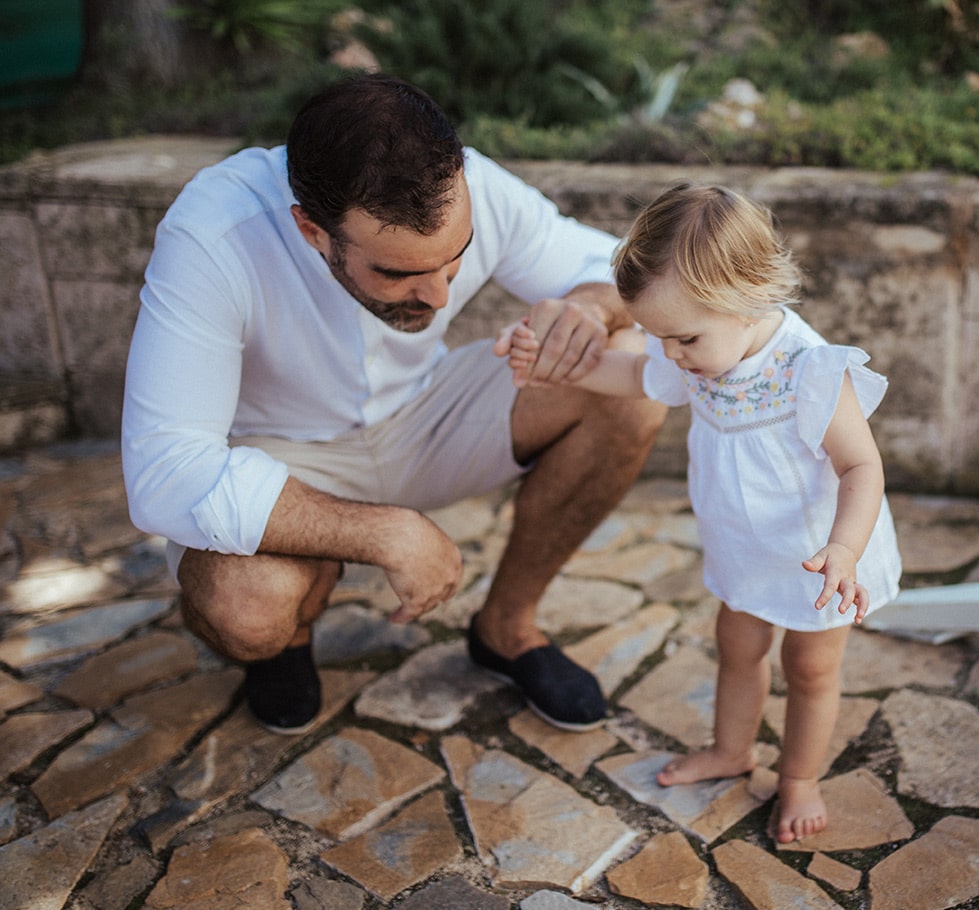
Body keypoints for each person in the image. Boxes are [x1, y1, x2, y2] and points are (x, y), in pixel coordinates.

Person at [120, 74, 666, 735]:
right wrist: (385, 533)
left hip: (426, 415)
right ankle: (288, 640)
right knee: (247, 610)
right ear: (312, 230)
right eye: (399, 273)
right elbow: (165, 474)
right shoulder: (213, 233)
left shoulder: (469, 184)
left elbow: (620, 268)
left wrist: (591, 305)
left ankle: (506, 627)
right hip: (280, 457)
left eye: (454, 260)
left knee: (629, 379)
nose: (438, 296)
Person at [497, 183, 901, 843]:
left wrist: (845, 550)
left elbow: (863, 468)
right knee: (736, 646)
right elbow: (636, 379)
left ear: (747, 302)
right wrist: (563, 369)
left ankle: (798, 777)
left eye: (683, 339)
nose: (671, 355)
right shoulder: (698, 344)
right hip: (746, 545)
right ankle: (731, 750)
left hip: (820, 552)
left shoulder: (811, 371)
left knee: (811, 667)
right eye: (662, 338)